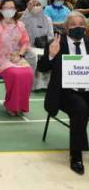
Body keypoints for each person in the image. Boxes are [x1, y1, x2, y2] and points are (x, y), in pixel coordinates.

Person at [38, 11, 89, 175]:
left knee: (83, 108)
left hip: (86, 88)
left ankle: (81, 138)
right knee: (80, 109)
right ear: (66, 28)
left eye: (81, 25)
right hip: (65, 92)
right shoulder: (55, 43)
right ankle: (76, 156)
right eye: (73, 25)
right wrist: (51, 55)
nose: (78, 28)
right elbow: (42, 68)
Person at [0, 0, 34, 116]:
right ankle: (11, 105)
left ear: (15, 10)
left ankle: (21, 106)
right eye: (6, 8)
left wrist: (20, 55)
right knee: (15, 73)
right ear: (1, 10)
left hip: (15, 57)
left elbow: (25, 43)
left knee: (28, 72)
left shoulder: (20, 25)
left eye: (12, 8)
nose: (9, 10)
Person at [20, 0, 54, 90]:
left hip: (43, 46)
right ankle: (31, 84)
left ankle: (46, 84)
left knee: (51, 55)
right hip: (27, 47)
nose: (36, 7)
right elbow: (20, 30)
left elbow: (51, 36)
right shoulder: (25, 17)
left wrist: (47, 46)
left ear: (42, 6)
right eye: (33, 5)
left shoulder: (47, 19)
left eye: (38, 4)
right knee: (33, 55)